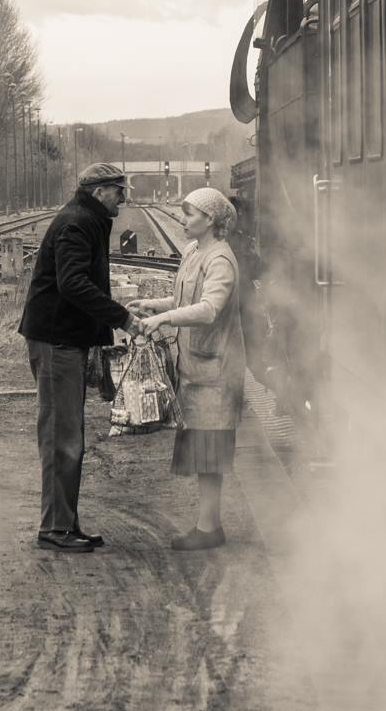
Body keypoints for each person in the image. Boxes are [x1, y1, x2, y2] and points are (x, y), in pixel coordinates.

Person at [18, 163, 140, 553]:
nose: (125, 197)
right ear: (100, 190)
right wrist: (121, 318)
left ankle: (64, 524)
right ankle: (54, 528)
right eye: (120, 190)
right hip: (56, 342)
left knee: (69, 435)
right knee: (61, 436)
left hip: (64, 339)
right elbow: (73, 284)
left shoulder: (87, 218)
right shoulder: (77, 223)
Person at [129, 187, 244, 550]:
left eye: (190, 213)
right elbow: (185, 300)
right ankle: (208, 525)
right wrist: (154, 304)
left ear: (209, 220)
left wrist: (165, 318)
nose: (183, 218)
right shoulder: (196, 252)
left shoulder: (220, 259)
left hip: (215, 370)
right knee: (203, 449)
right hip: (197, 368)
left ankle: (209, 529)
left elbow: (209, 309)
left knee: (210, 451)